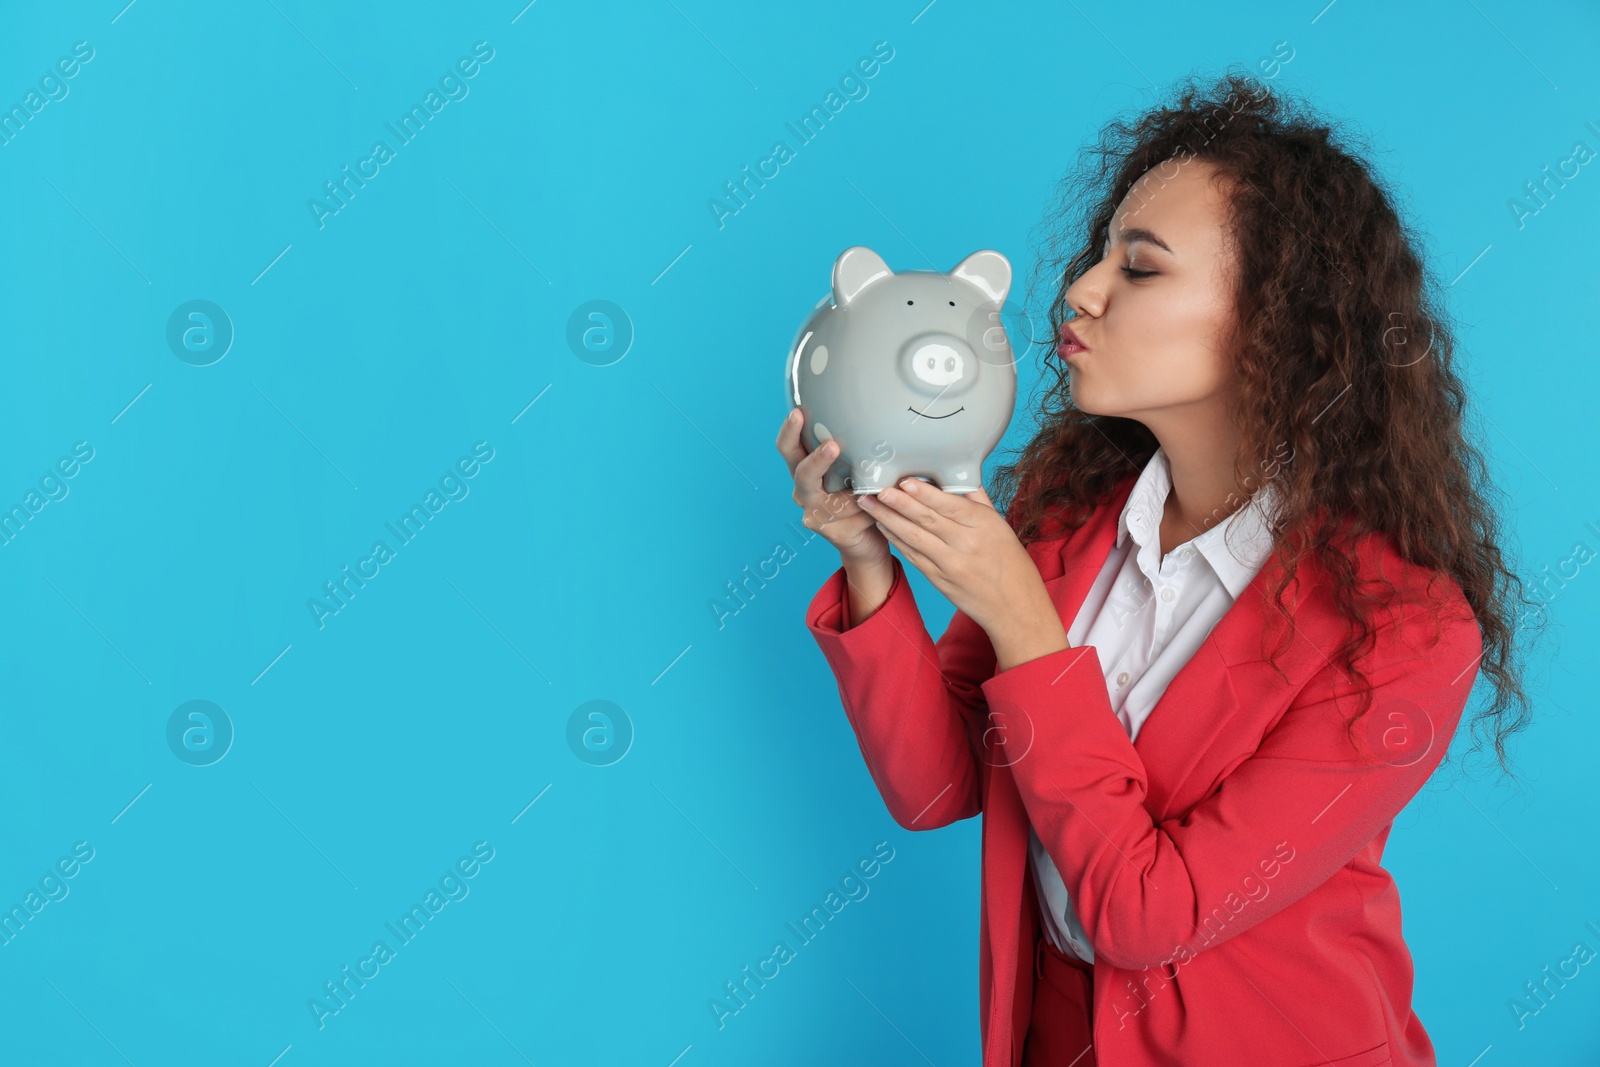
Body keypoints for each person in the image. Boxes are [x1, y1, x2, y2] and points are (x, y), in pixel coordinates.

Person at [775, 70, 1539, 1067]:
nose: (1078, 290)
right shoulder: (1064, 518)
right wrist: (867, 555)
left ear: (1276, 319)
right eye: (1098, 254)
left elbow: (1151, 913)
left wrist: (1026, 629)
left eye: (1138, 269)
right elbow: (934, 787)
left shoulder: (1404, 631)